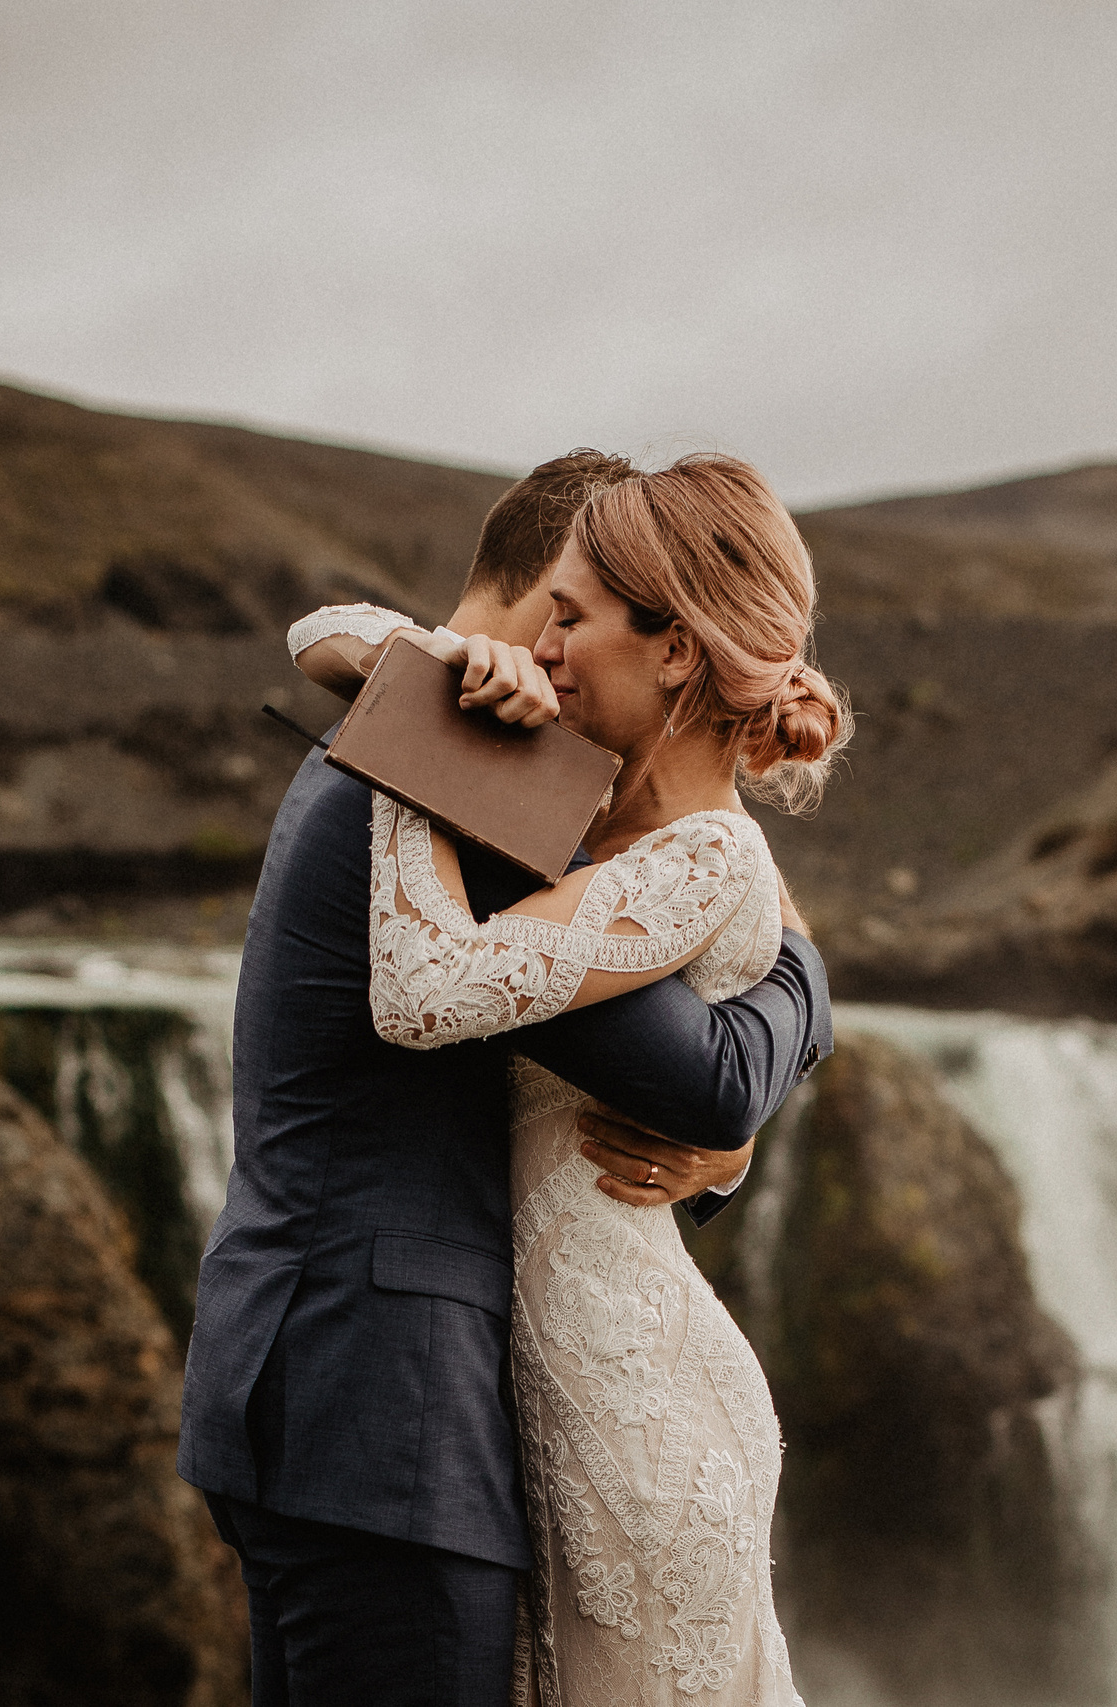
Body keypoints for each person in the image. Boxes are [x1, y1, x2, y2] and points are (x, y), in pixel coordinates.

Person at [179, 451, 836, 1707]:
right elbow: (704, 1079)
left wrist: (759, 1062)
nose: (561, 654)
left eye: (586, 622)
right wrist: (786, 1016)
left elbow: (684, 1065)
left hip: (353, 1395)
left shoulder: (412, 754)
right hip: (380, 1404)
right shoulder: (451, 762)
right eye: (565, 613)